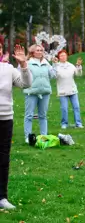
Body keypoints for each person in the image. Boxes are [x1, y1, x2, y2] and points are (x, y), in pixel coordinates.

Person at [0, 45, 32, 210]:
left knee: (3, 159)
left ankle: (2, 197)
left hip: (5, 118)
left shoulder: (8, 69)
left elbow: (26, 84)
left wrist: (24, 65)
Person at [23, 44, 56, 143]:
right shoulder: (28, 63)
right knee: (29, 115)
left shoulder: (46, 63)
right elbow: (21, 74)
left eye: (41, 50)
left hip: (45, 93)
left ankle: (44, 136)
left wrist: (54, 65)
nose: (40, 52)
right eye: (37, 50)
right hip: (31, 93)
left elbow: (53, 76)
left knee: (43, 115)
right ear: (32, 52)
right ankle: (28, 137)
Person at [54, 50, 83, 129]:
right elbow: (54, 76)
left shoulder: (71, 65)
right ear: (59, 57)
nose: (63, 57)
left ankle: (78, 123)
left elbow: (78, 74)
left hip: (73, 90)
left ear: (67, 56)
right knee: (64, 108)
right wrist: (55, 64)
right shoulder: (57, 66)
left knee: (76, 107)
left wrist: (78, 66)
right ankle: (64, 123)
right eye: (61, 56)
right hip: (62, 91)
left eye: (64, 55)